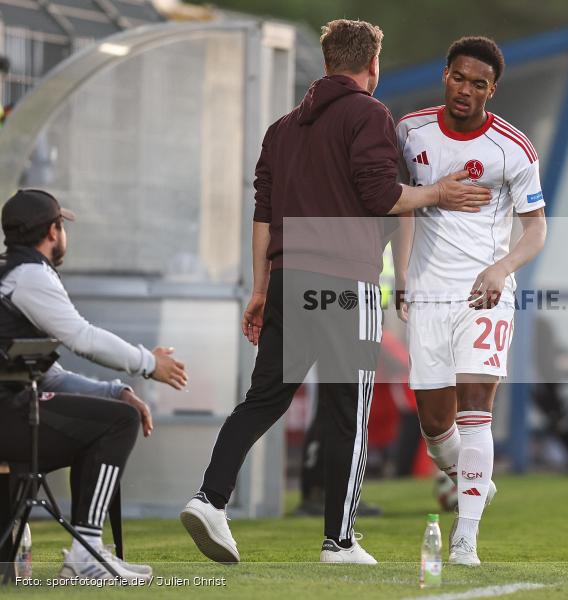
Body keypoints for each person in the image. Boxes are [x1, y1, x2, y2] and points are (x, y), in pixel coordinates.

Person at [180, 19, 491, 566]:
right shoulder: (369, 113)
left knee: (264, 399)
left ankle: (209, 498)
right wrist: (437, 193)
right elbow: (380, 196)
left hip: (287, 278)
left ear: (326, 63)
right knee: (349, 409)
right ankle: (339, 541)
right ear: (372, 65)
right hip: (347, 283)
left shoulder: (281, 129)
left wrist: (260, 288)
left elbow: (263, 214)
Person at [394, 36, 547, 565]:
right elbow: (400, 205)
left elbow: (537, 229)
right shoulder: (410, 131)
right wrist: (401, 275)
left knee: (477, 408)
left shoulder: (513, 149)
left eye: (478, 84)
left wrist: (501, 269)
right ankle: (473, 478)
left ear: (491, 90)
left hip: (485, 294)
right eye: (458, 78)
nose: (465, 90)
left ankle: (466, 535)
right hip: (428, 294)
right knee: (436, 429)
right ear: (445, 75)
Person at [0, 189, 187, 581]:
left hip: (11, 412)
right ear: (53, 231)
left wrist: (115, 391)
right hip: (8, 418)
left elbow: (47, 375)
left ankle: (88, 551)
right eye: (62, 225)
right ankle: (86, 553)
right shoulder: (30, 276)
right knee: (119, 422)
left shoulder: (13, 273)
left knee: (110, 414)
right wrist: (149, 364)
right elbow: (83, 338)